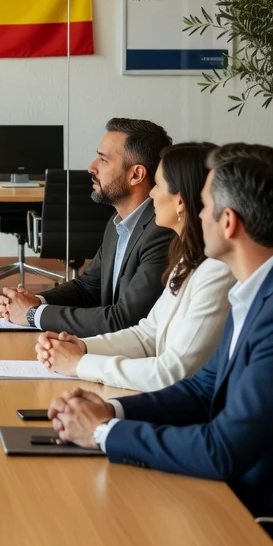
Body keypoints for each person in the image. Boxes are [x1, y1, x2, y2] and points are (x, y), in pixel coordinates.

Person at [47, 143, 273, 535]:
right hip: (250, 501)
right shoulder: (267, 286)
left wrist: (102, 433)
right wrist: (113, 412)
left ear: (228, 222)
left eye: (203, 206)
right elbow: (203, 390)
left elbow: (222, 450)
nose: (197, 215)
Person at [35, 142, 233, 392]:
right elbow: (147, 334)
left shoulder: (217, 270)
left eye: (158, 185)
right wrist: (82, 347)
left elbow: (172, 372)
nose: (151, 194)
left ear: (180, 202)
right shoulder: (187, 257)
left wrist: (80, 363)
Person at [0, 118, 173, 335]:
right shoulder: (118, 223)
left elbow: (124, 320)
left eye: (104, 160)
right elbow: (89, 287)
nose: (91, 167)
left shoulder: (162, 232)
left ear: (135, 174)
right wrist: (35, 301)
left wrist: (33, 314)